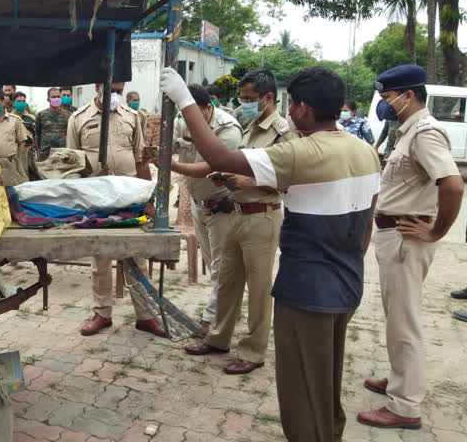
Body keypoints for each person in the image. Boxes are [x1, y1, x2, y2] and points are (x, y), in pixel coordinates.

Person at [161, 65, 381, 442]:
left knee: (300, 391)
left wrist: (184, 100)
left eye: (293, 104)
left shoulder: (302, 151)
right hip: (346, 282)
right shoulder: (365, 151)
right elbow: (366, 229)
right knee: (326, 381)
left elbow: (219, 158)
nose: (290, 110)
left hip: (308, 290)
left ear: (306, 109)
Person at [358, 65, 463, 430]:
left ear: (409, 96)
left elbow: (452, 184)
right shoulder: (405, 132)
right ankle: (399, 379)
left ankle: (405, 407)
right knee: (396, 316)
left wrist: (437, 231)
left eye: (388, 98)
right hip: (395, 236)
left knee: (405, 322)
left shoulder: (425, 133)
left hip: (408, 237)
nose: (385, 105)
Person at [183, 68, 296, 376]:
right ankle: (218, 338)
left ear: (268, 97)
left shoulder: (283, 132)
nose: (244, 103)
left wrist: (248, 181)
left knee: (258, 288)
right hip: (236, 211)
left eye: (250, 99)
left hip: (262, 214)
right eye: (242, 98)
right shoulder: (250, 126)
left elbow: (290, 181)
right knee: (227, 281)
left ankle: (253, 350)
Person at [66, 81, 166, 338]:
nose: (116, 93)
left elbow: (140, 159)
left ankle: (145, 316)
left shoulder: (133, 118)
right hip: (96, 197)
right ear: (99, 84)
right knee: (100, 258)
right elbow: (71, 165)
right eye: (113, 87)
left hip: (129, 196)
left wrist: (149, 198)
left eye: (120, 90)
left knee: (136, 257)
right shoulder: (78, 119)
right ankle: (102, 313)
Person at [170, 84, 242, 335]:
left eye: (193, 113)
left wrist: (173, 167)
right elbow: (177, 145)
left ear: (208, 107)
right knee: (215, 266)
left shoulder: (228, 129)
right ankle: (229, 309)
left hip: (223, 205)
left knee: (222, 267)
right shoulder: (183, 121)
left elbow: (213, 167)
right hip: (200, 205)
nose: (189, 120)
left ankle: (210, 323)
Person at [36, 87, 72, 161]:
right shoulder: (41, 115)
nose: (56, 99)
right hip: (45, 154)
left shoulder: (68, 115)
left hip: (63, 154)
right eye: (53, 97)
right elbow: (37, 135)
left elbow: (71, 135)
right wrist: (38, 152)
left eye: (58, 97)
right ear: (48, 99)